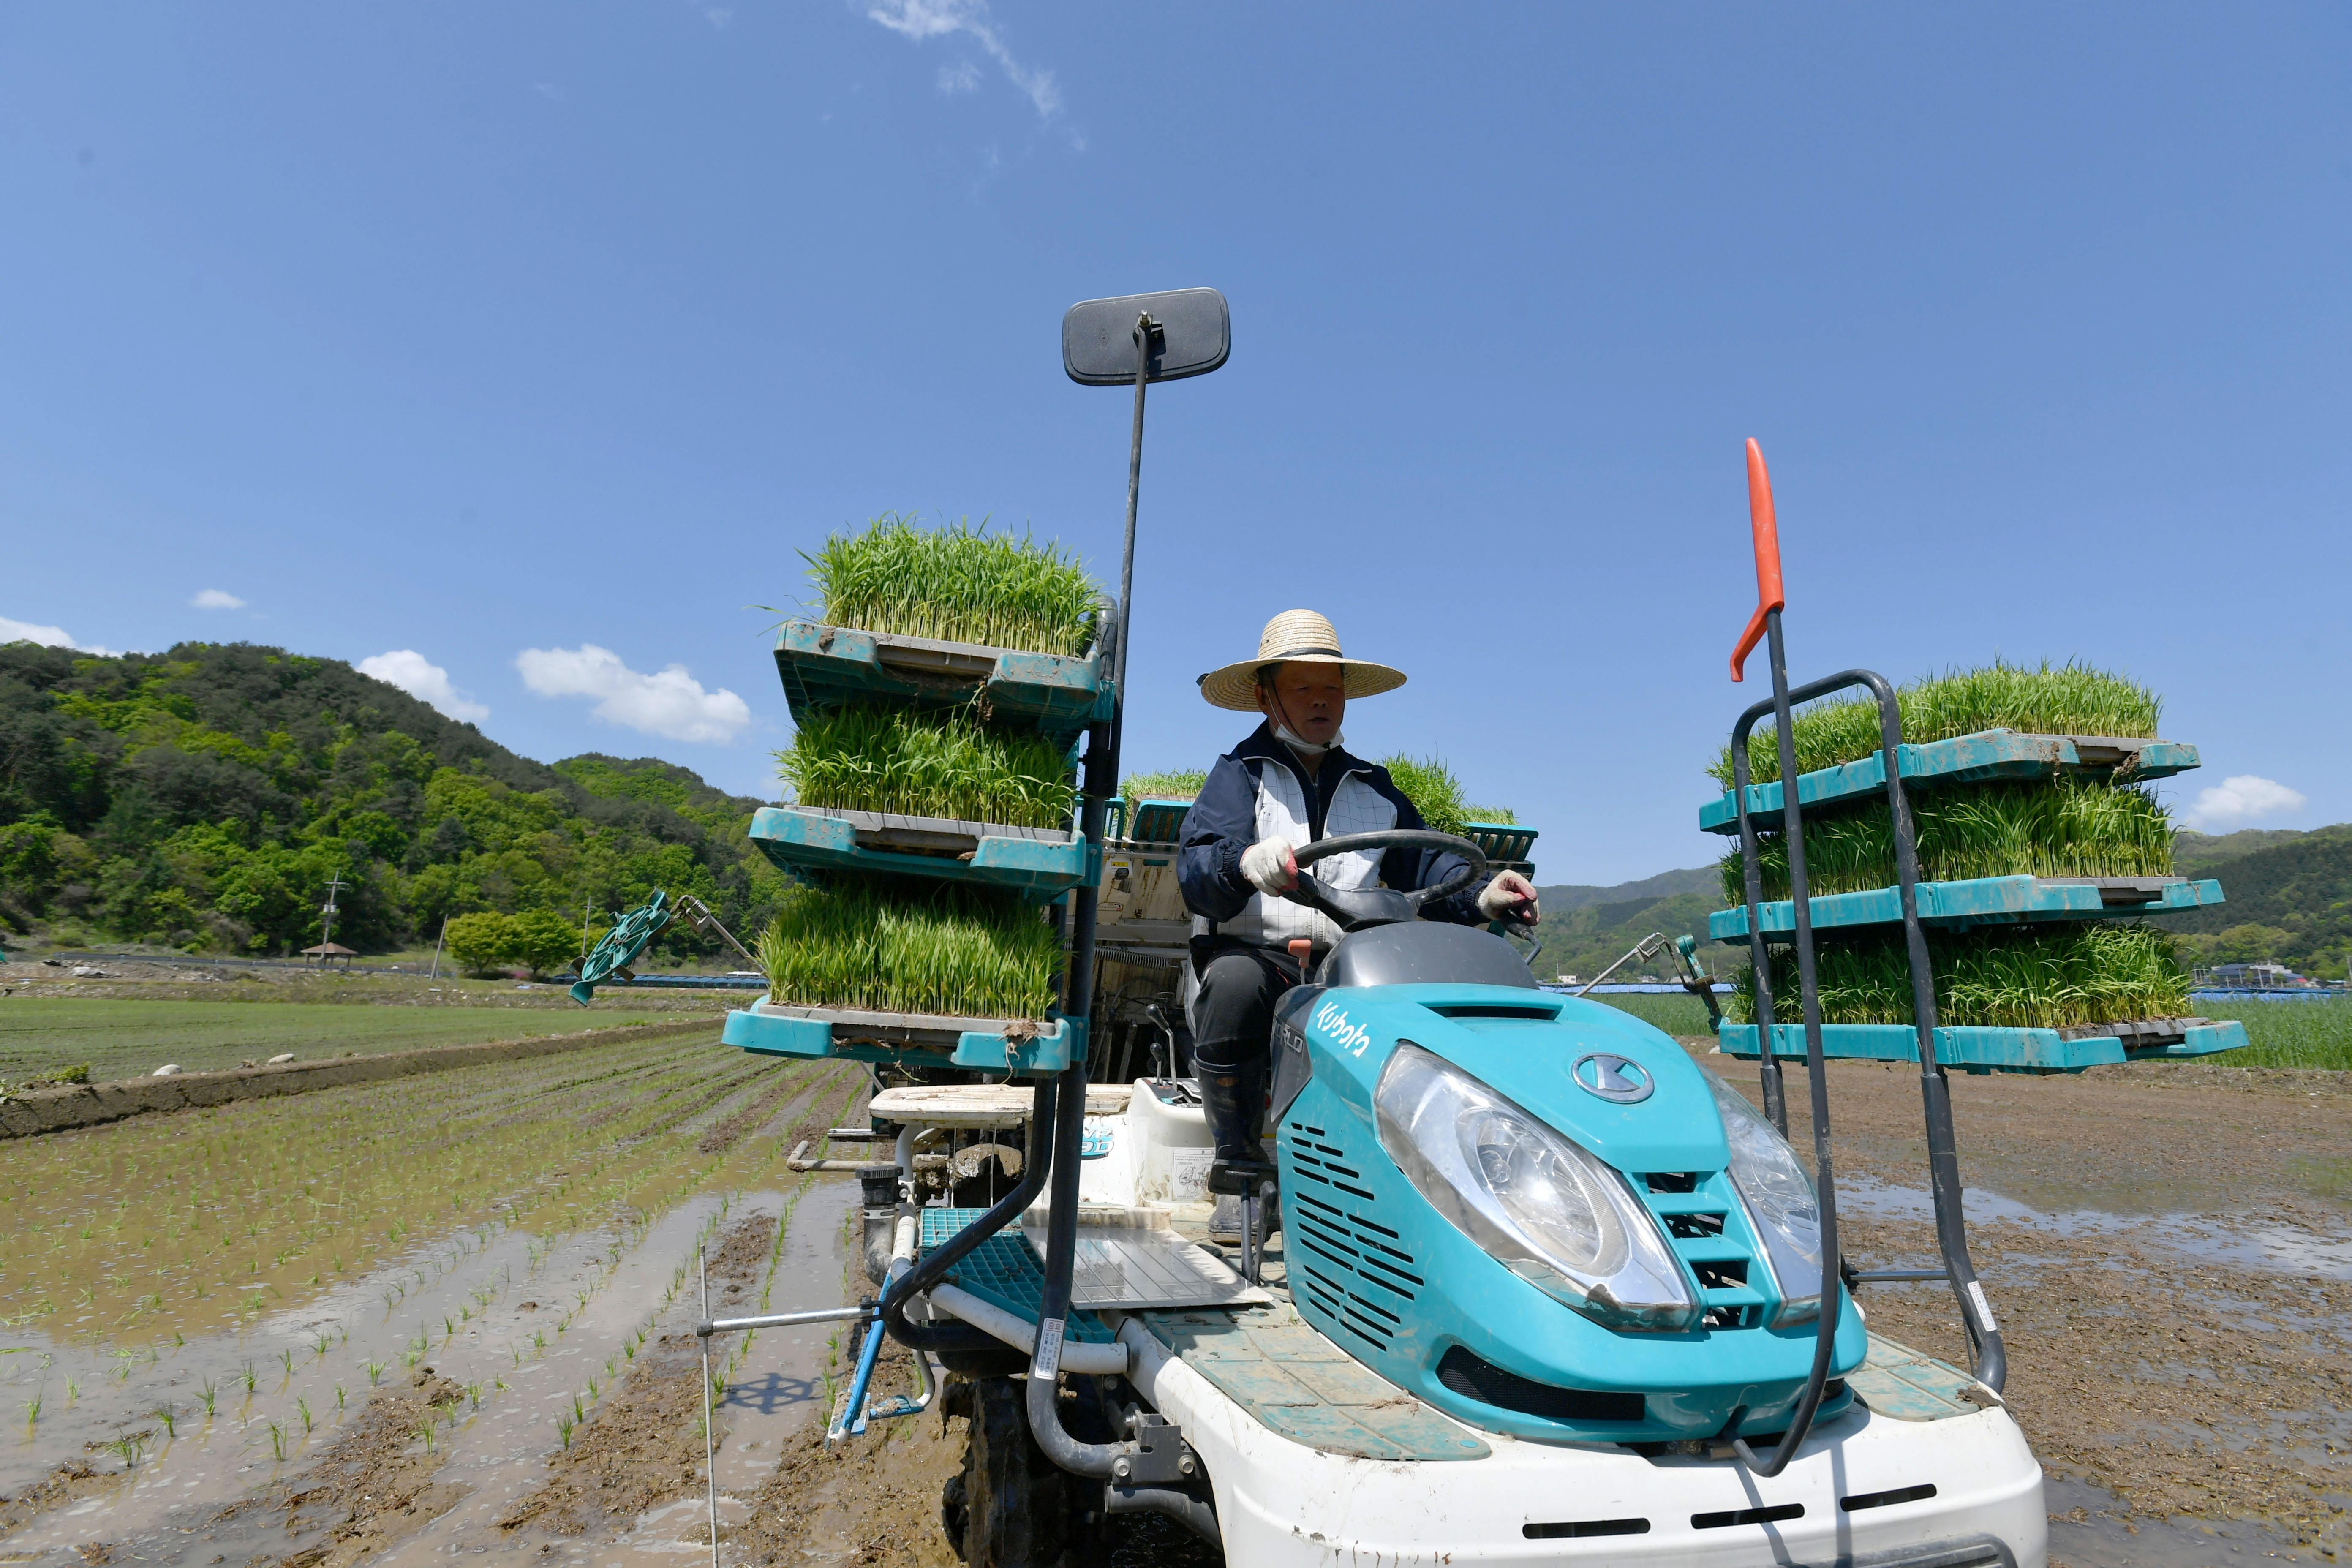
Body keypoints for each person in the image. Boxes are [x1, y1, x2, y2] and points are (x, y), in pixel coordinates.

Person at [1176, 609, 1539, 1241]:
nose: (1321, 702)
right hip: (1258, 957)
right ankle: (1238, 1171)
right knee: (1233, 985)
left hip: (1350, 967)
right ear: (1266, 697)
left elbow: (1429, 871)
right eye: (1303, 689)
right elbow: (1198, 868)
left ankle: (1396, 1183)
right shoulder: (1239, 776)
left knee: (1410, 1003)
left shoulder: (1376, 788)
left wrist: (1485, 897)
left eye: (1332, 689)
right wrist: (1244, 862)